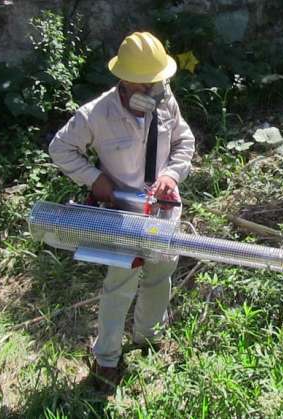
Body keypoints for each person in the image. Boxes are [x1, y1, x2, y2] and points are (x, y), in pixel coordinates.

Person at [49, 31, 195, 389]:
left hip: (163, 212)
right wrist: (95, 179)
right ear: (123, 81)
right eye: (143, 85)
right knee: (120, 286)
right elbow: (60, 148)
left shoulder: (166, 99)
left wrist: (171, 176)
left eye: (157, 83)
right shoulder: (96, 114)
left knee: (160, 278)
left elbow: (183, 141)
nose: (152, 91)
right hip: (123, 216)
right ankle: (107, 360)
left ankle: (147, 341)